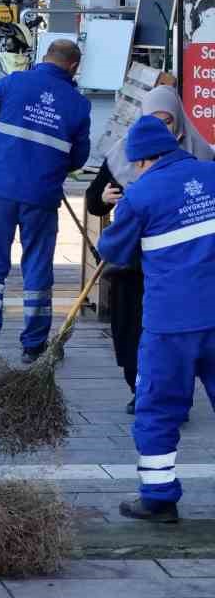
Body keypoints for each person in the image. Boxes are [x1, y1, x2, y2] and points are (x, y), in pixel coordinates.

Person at [99, 116, 215, 524]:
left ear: (142, 160)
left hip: (171, 324)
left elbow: (113, 252)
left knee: (159, 408)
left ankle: (159, 496)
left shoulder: (141, 194)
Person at [0, 39, 91, 362]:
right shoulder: (77, 104)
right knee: (37, 267)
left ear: (45, 58)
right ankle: (33, 345)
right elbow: (78, 158)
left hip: (0, 189)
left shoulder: (16, 82)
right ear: (73, 66)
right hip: (41, 196)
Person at [87, 85, 214, 413]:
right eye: (154, 120)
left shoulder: (202, 158)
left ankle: (169, 399)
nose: (161, 129)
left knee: (169, 337)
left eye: (167, 121)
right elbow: (95, 202)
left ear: (179, 122)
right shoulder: (122, 154)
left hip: (182, 270)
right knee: (132, 331)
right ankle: (141, 389)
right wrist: (103, 201)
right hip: (134, 266)